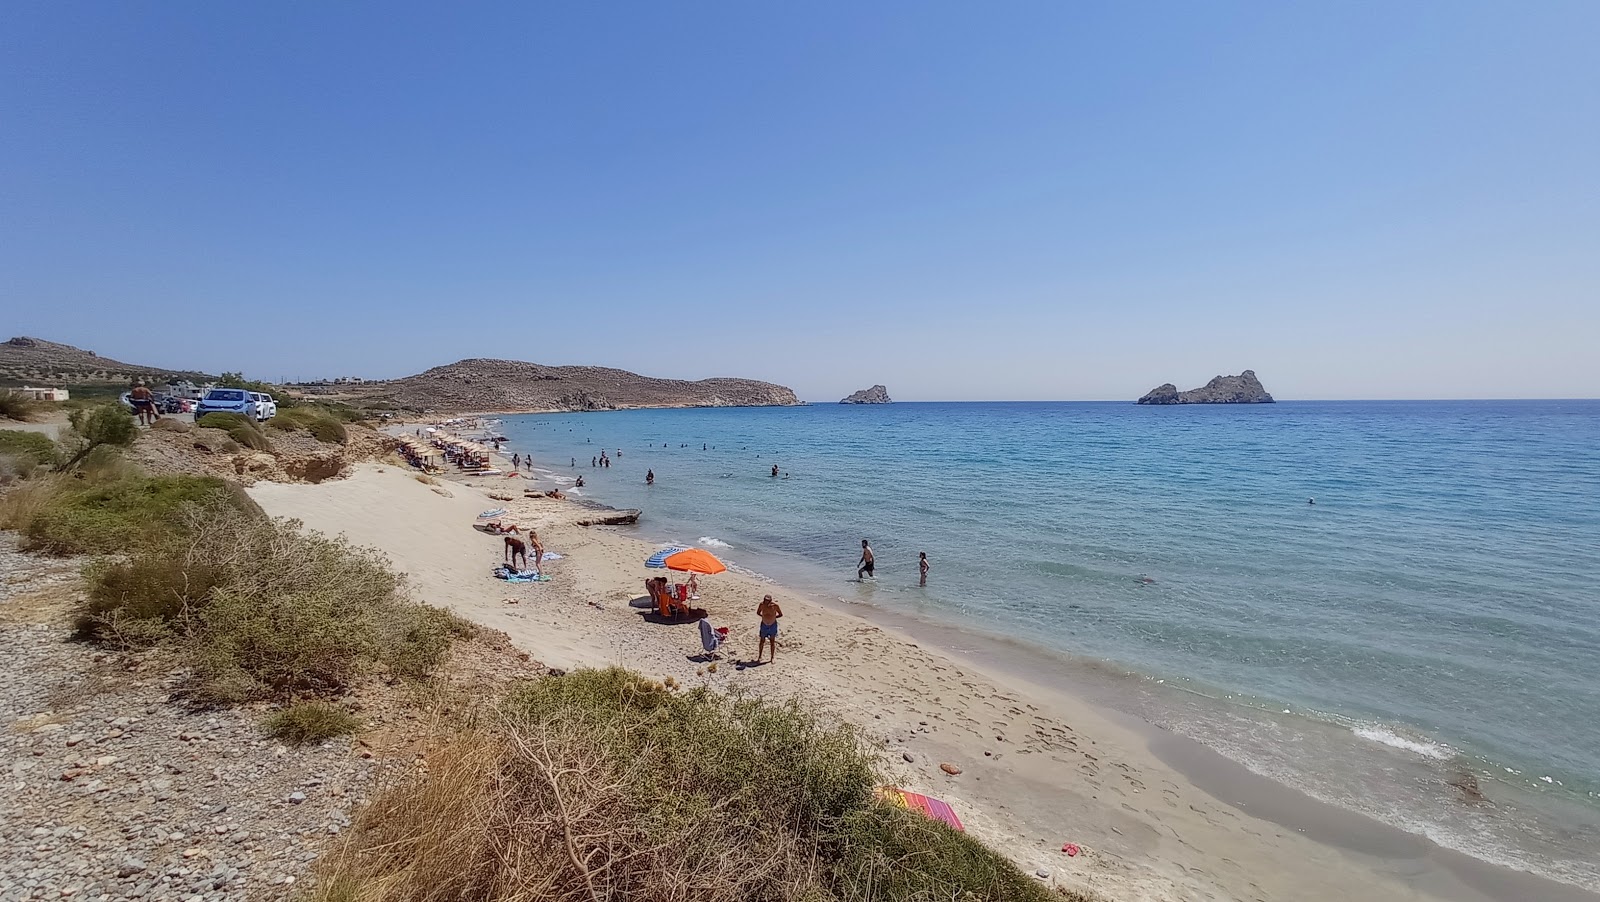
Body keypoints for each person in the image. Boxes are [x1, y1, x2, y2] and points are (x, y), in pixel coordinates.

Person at [756, 594, 783, 663]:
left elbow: (780, 614)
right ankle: (759, 656)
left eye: (767, 601)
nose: (765, 602)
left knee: (772, 641)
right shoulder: (761, 605)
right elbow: (758, 612)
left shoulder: (775, 606)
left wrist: (773, 618)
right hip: (764, 625)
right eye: (765, 600)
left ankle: (772, 657)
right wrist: (764, 617)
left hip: (772, 625)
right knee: (762, 641)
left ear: (770, 601)